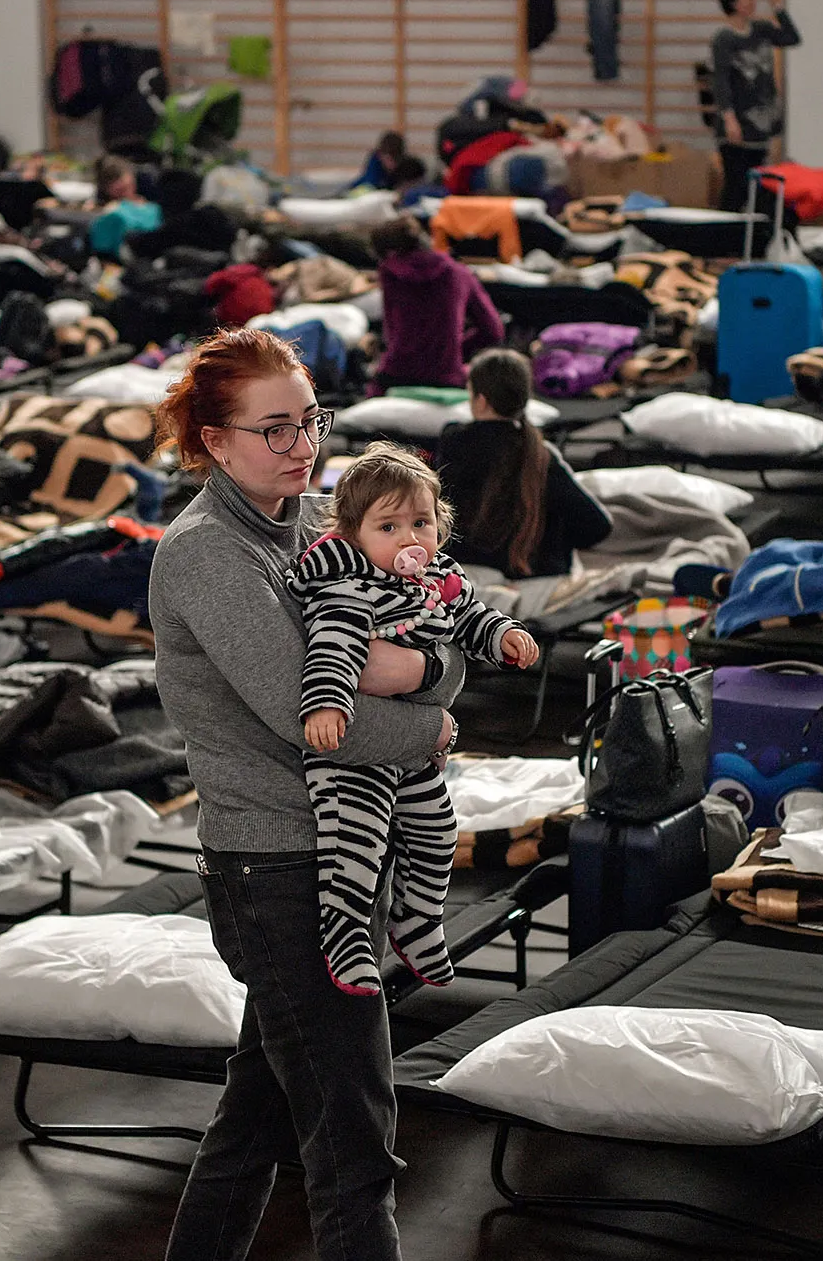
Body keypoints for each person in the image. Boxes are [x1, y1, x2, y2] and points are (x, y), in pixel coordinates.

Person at [150, 327, 463, 1261]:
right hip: (277, 867)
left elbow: (442, 627)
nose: (303, 446)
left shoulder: (322, 522)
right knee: (353, 1141)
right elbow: (310, 714)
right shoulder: (210, 553)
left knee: (258, 1125)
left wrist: (429, 668)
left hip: (339, 849)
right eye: (275, 429)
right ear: (214, 440)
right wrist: (435, 725)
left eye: (310, 421)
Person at [293, 444, 536, 995]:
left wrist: (502, 636)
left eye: (420, 522)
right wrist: (327, 704)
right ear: (354, 535)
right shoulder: (347, 590)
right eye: (389, 526)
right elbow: (331, 650)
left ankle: (418, 918)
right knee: (356, 840)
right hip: (355, 750)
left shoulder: (442, 581)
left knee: (437, 832)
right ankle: (347, 934)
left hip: (412, 748)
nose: (410, 539)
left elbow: (471, 617)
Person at [435, 349, 613, 578]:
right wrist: (555, 541)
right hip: (534, 574)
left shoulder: (454, 442)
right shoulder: (539, 454)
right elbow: (597, 526)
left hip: (466, 572)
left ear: (481, 400)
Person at [371, 216, 503, 388]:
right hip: (447, 377)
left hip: (396, 375)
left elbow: (391, 334)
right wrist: (454, 348)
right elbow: (494, 331)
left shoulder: (390, 273)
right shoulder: (459, 273)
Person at [708, 0, 800, 212]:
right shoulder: (724, 39)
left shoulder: (761, 29)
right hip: (737, 122)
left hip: (761, 122)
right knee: (735, 186)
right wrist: (729, 119)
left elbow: (791, 38)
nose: (750, 1)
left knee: (755, 185)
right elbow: (721, 80)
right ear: (731, 2)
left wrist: (778, 8)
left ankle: (748, 238)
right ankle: (723, 241)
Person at [88, 152, 160, 257]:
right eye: (111, 182)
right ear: (104, 188)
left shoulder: (153, 207)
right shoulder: (111, 213)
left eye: (120, 177)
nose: (119, 184)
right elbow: (102, 251)